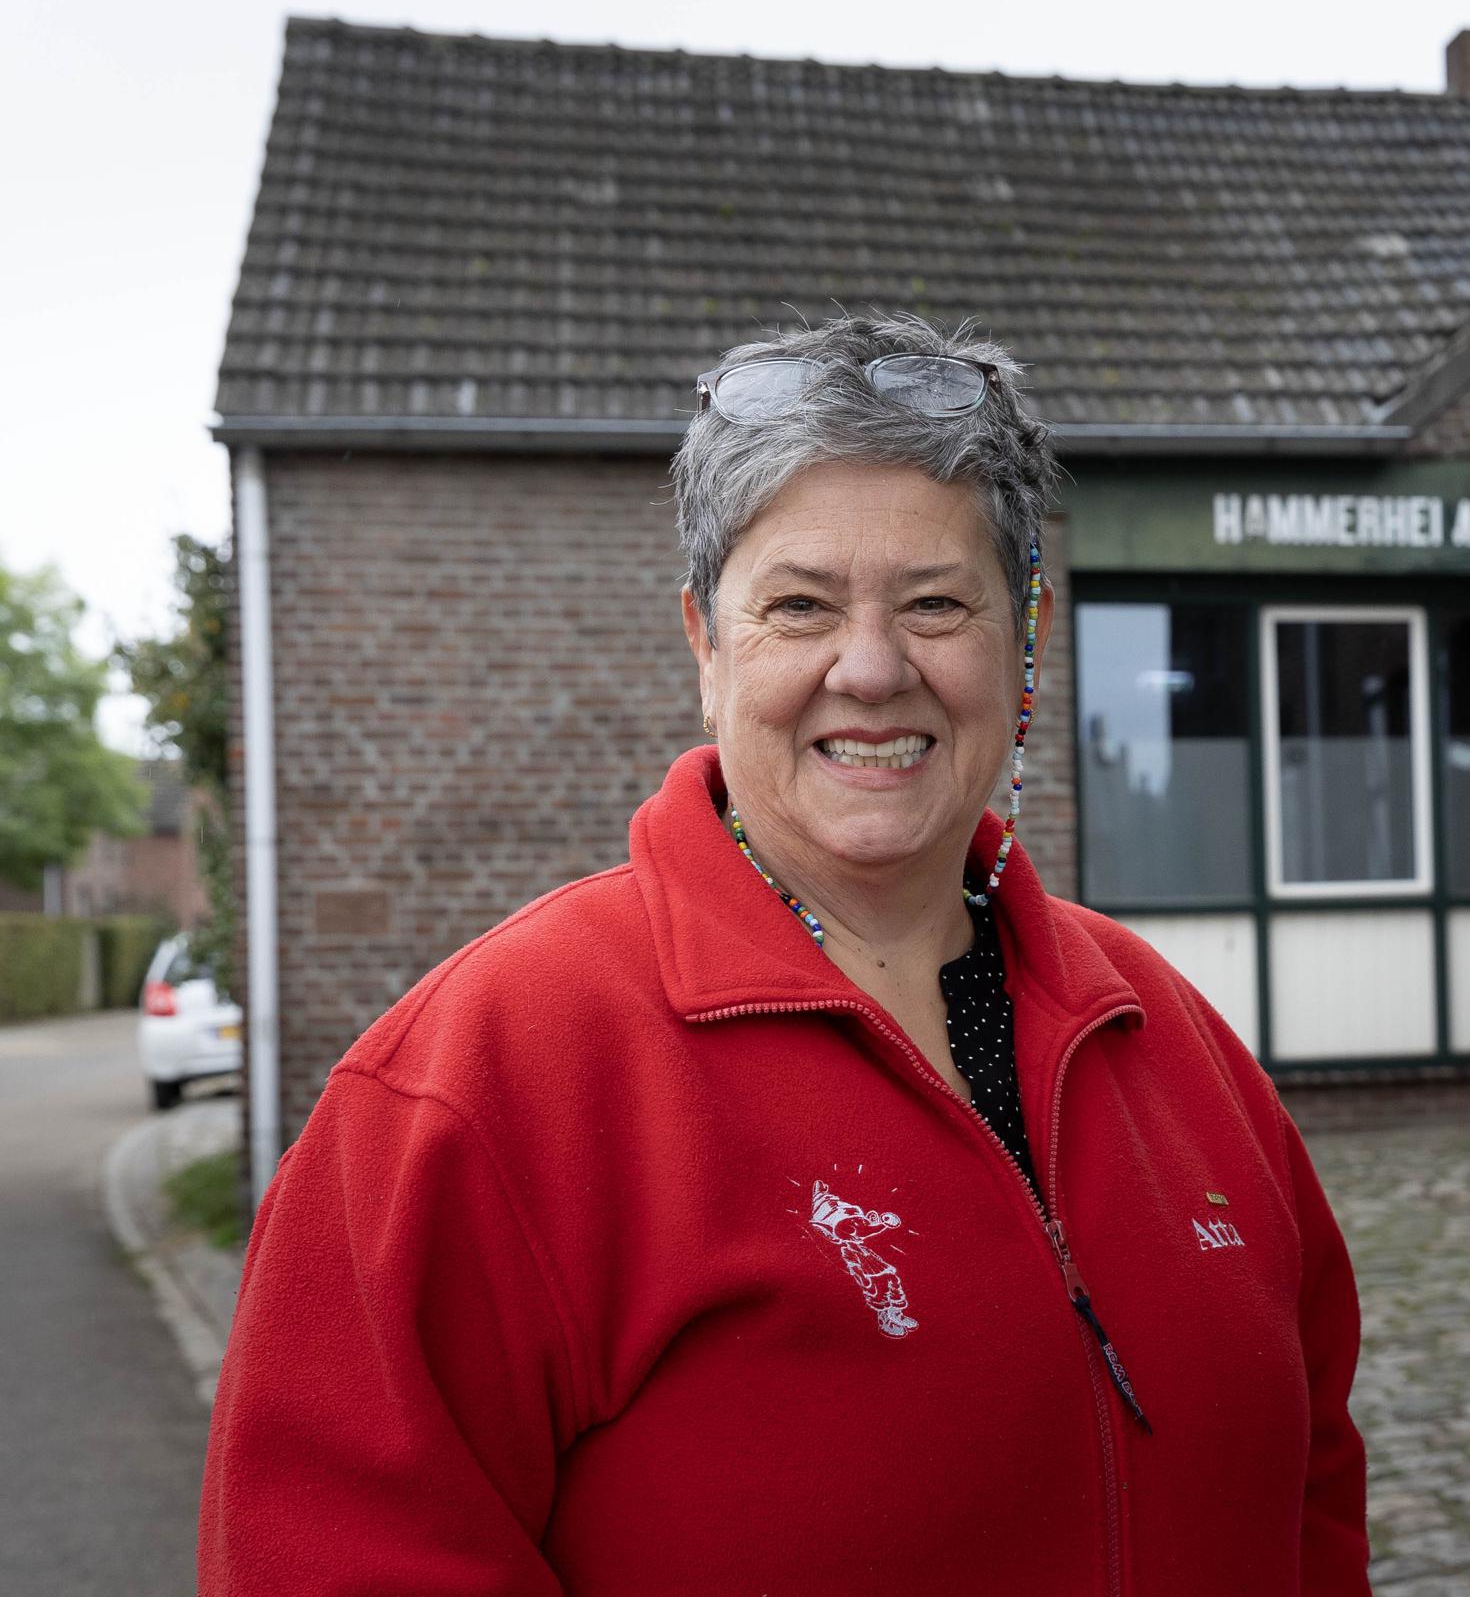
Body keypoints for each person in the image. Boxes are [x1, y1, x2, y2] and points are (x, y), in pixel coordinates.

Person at [197, 314, 1371, 1594]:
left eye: (936, 604)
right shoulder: (474, 1086)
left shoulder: (1173, 1041)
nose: (870, 670)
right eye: (799, 606)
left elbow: (1313, 1496)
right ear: (707, 643)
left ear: (1021, 638)